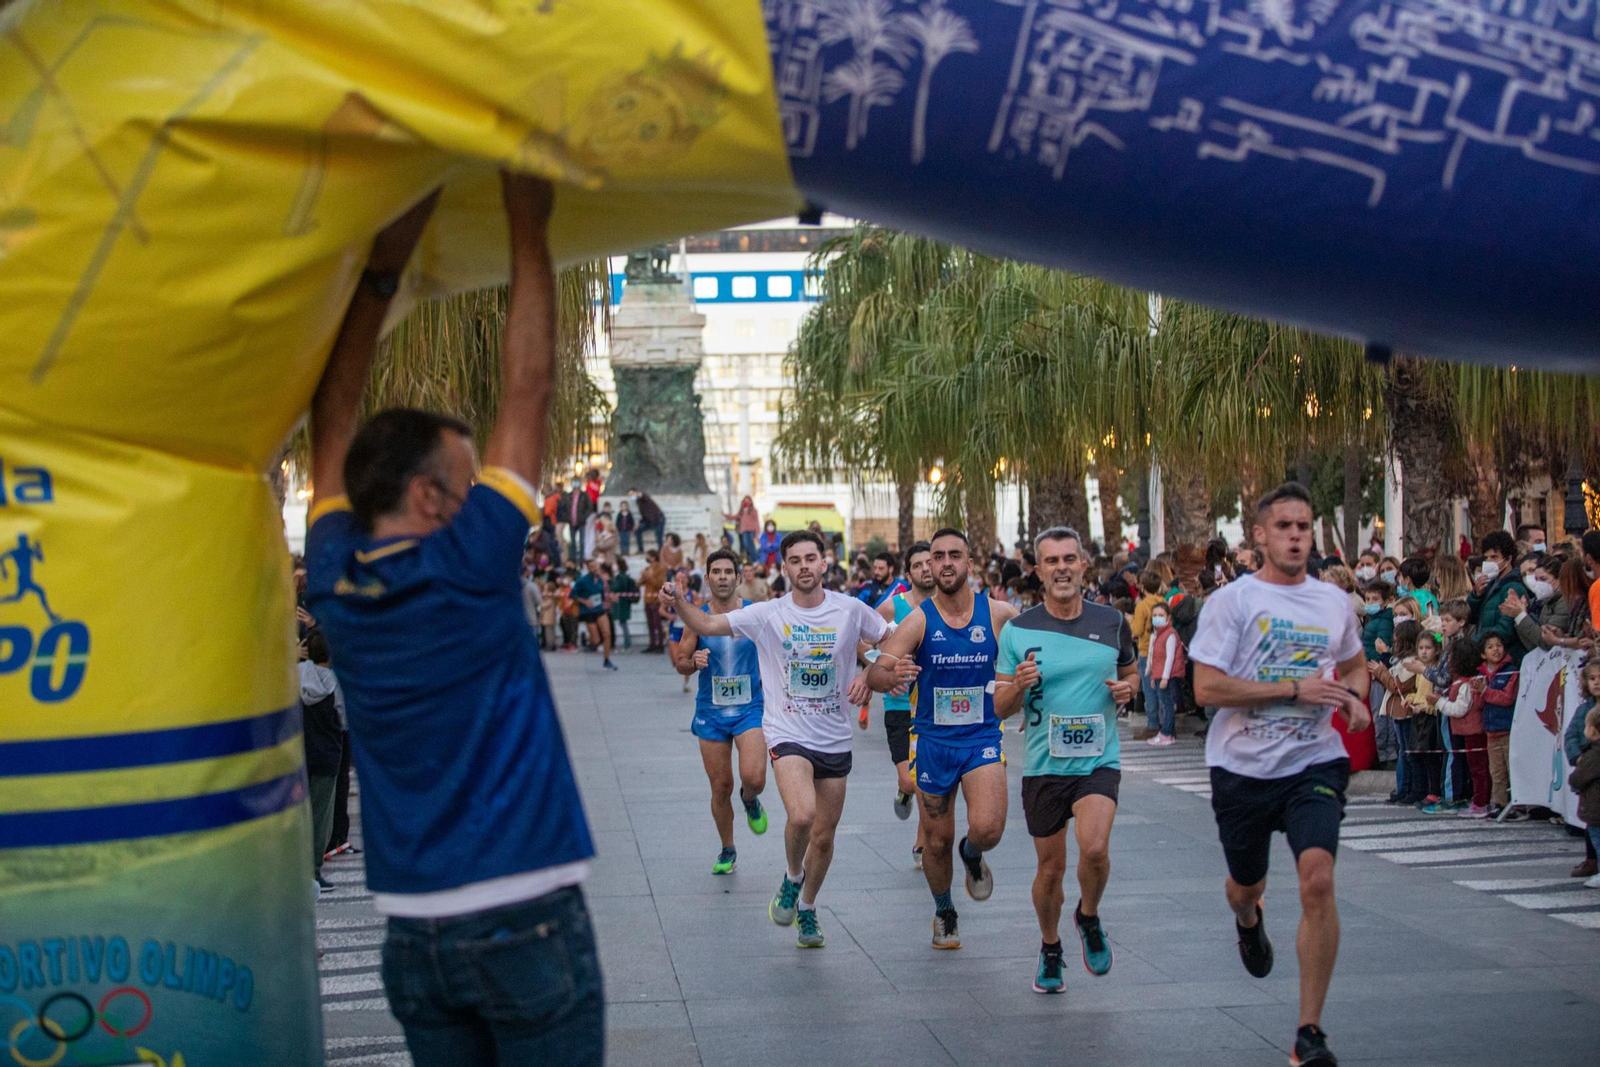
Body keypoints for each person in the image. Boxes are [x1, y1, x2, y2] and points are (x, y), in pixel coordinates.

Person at [303, 175, 601, 1063]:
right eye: (468, 484)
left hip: (413, 935)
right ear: (431, 495)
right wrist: (528, 222)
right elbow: (531, 387)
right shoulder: (470, 562)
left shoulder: (334, 576)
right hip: (525, 914)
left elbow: (330, 419)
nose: (482, 496)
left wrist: (382, 269)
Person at [1189, 483, 1371, 1067]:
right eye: (1285, 526)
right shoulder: (1233, 602)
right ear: (1261, 535)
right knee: (1246, 884)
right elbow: (1206, 688)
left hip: (1312, 760)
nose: (1297, 535)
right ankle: (1248, 917)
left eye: (1305, 526)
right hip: (1240, 767)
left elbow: (1354, 664)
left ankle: (1309, 1033)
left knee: (1318, 880)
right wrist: (1294, 687)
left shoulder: (1332, 602)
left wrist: (1354, 699)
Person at [663, 530, 891, 949]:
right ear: (783, 568)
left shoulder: (851, 610)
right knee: (802, 816)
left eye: (811, 558)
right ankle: (791, 875)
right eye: (795, 560)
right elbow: (709, 623)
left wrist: (868, 676)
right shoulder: (767, 613)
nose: (804, 566)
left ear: (825, 563)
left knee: (824, 836)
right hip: (787, 733)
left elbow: (887, 641)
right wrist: (679, 603)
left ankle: (806, 907)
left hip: (835, 737)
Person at [994, 526, 1138, 994]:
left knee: (1094, 848)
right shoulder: (1018, 630)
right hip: (1043, 766)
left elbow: (1130, 672)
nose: (1061, 568)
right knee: (1050, 870)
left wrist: (1129, 689)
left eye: (1069, 559)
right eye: (1051, 561)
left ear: (1083, 565)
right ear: (1038, 570)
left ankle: (1089, 916)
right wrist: (1018, 684)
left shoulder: (1111, 621)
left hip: (1099, 760)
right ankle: (1051, 945)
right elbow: (999, 707)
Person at [867, 529, 1018, 949]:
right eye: (938, 556)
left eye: (955, 555)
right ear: (928, 566)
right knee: (936, 840)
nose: (946, 562)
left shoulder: (1000, 614)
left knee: (987, 828)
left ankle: (974, 854)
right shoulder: (918, 619)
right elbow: (878, 670)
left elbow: (1034, 652)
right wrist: (890, 675)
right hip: (932, 741)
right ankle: (944, 909)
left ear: (970, 564)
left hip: (983, 736)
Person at [670, 548, 771, 874]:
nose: (724, 577)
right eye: (717, 571)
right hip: (711, 713)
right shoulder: (696, 617)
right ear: (709, 577)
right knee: (719, 787)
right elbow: (680, 662)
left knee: (754, 777)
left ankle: (750, 798)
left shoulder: (756, 613)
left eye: (729, 571)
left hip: (749, 709)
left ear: (738, 578)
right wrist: (692, 661)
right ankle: (727, 849)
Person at [876, 541, 933, 869]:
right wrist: (883, 672)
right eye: (918, 564)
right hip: (899, 703)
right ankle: (904, 792)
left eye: (930, 562)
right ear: (908, 572)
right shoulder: (892, 607)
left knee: (927, 780)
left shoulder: (947, 607)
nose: (926, 568)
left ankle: (922, 843)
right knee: (909, 781)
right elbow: (864, 644)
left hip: (932, 706)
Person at [299, 628, 344, 893]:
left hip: (300, 753)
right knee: (320, 816)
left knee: (299, 815)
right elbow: (345, 721)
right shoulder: (336, 684)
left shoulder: (296, 674)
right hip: (326, 755)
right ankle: (314, 871)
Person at [1436, 638, 1489, 817]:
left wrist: (1439, 702)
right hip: (1468, 732)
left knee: (1478, 770)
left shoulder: (1466, 685)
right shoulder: (1464, 682)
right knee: (1475, 769)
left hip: (1474, 731)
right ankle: (1478, 800)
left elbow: (1459, 709)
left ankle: (1481, 803)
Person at [1468, 530, 1530, 663]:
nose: (1489, 561)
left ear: (1508, 558)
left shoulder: (1513, 588)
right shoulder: (1490, 585)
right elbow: (1471, 617)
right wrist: (1476, 596)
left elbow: (1506, 629)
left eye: (1494, 557)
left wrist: (1476, 642)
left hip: (1505, 659)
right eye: (1486, 558)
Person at [1476, 633, 1520, 818]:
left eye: (1499, 645)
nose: (1496, 649)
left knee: (1513, 769)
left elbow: (1507, 698)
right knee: (1497, 771)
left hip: (1509, 729)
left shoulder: (1511, 671)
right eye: (1490, 646)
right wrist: (1478, 692)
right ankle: (1500, 804)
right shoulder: (1481, 674)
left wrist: (1485, 691)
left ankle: (1519, 805)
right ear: (1483, 654)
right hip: (1491, 731)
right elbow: (1478, 704)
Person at [1566, 661, 1600, 879]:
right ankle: (1592, 859)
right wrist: (1577, 758)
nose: (1597, 682)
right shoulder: (1584, 709)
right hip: (1587, 765)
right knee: (1591, 817)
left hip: (1595, 762)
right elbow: (1570, 735)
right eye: (1593, 678)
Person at [1130, 569, 1167, 740]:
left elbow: (1137, 630)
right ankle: (1165, 723)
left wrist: (1130, 623)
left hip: (1146, 650)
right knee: (1161, 688)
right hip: (1164, 649)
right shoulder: (1163, 602)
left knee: (1149, 689)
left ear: (1142, 587)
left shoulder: (1142, 606)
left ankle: (1153, 724)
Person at [1146, 600, 1186, 746]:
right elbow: (1155, 657)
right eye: (1155, 615)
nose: (1157, 618)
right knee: (1165, 703)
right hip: (1159, 674)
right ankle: (1168, 732)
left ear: (1168, 617)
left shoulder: (1169, 634)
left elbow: (1169, 658)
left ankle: (1167, 733)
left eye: (1161, 615)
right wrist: (1152, 676)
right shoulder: (1157, 634)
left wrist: (1164, 677)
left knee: (1167, 704)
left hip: (1167, 675)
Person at [573, 558, 617, 671]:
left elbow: (602, 595)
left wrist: (610, 598)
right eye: (591, 566)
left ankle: (607, 660)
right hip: (588, 612)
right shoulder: (582, 580)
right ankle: (586, 639)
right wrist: (585, 601)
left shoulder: (601, 580)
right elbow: (573, 595)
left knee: (607, 634)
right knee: (596, 641)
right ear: (588, 568)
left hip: (599, 609)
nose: (594, 568)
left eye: (595, 566)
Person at [640, 549, 667, 653]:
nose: (646, 557)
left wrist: (648, 576)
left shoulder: (660, 568)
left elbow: (659, 584)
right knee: (650, 624)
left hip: (656, 600)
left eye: (648, 555)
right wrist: (643, 575)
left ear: (653, 557)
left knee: (657, 624)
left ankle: (659, 644)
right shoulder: (647, 568)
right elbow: (640, 583)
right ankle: (652, 643)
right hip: (648, 599)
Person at [610, 558, 638, 651]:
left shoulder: (621, 577)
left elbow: (617, 588)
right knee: (623, 623)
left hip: (622, 603)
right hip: (623, 602)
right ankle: (627, 643)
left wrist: (609, 583)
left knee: (623, 623)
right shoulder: (622, 576)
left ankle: (627, 644)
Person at [731, 496, 761, 560]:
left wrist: (757, 532)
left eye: (748, 500)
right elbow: (735, 516)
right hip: (744, 531)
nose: (746, 502)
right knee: (745, 546)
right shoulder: (742, 511)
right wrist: (725, 516)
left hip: (750, 530)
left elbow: (756, 521)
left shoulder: (753, 510)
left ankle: (755, 558)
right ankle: (749, 559)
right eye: (745, 500)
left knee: (750, 545)